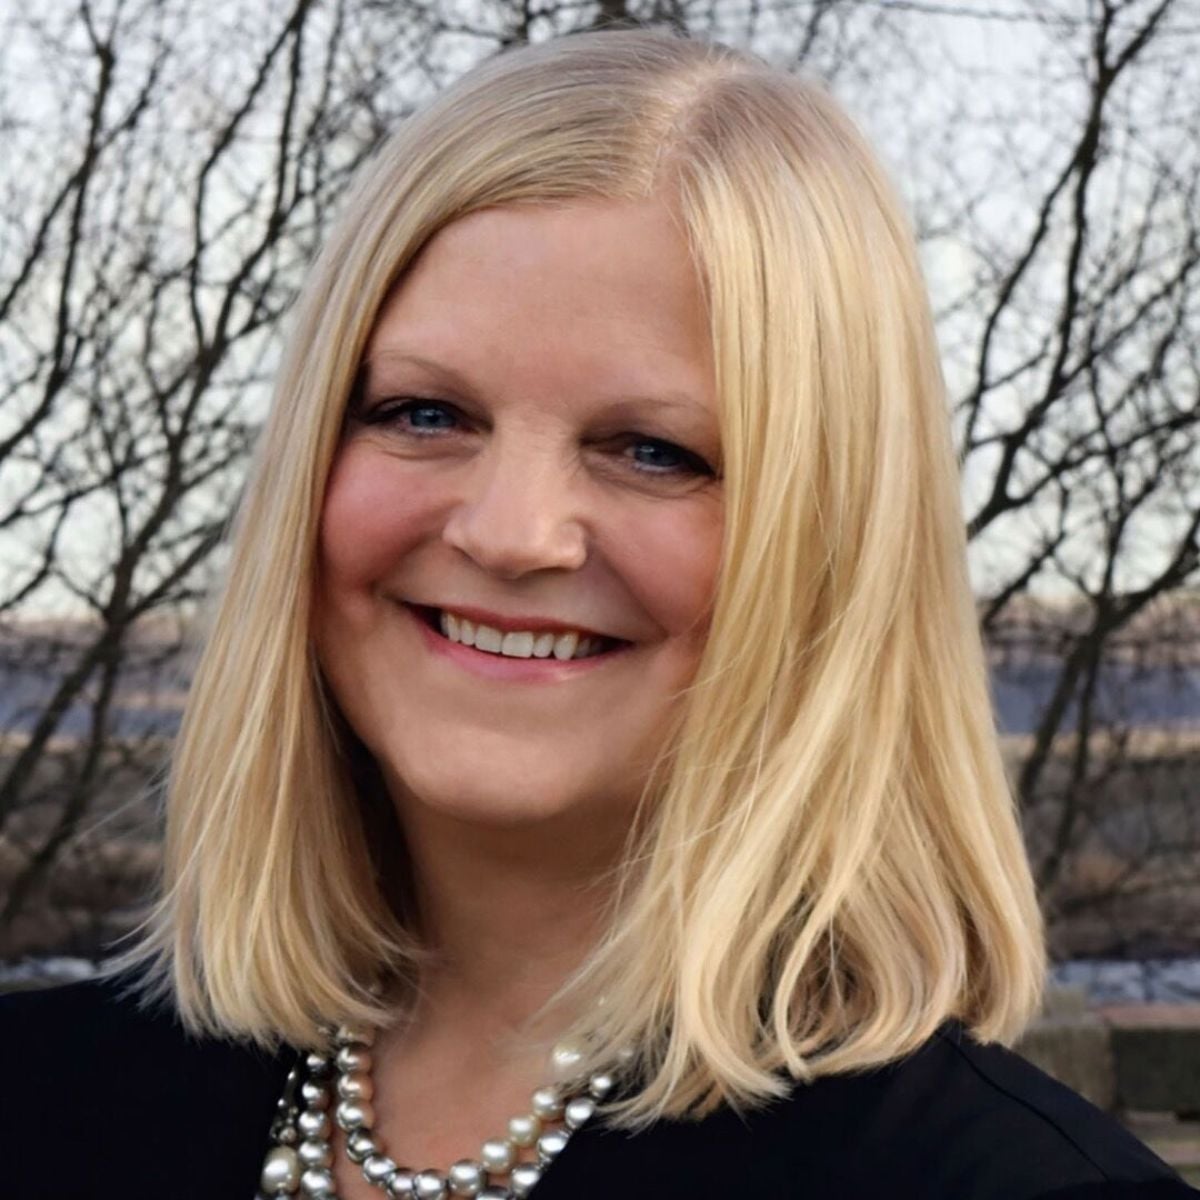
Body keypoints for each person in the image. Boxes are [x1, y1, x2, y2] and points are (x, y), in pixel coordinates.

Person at [2, 27, 1195, 1200]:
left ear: (831, 552)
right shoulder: (41, 1103)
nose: (512, 532)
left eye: (651, 448)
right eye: (424, 414)